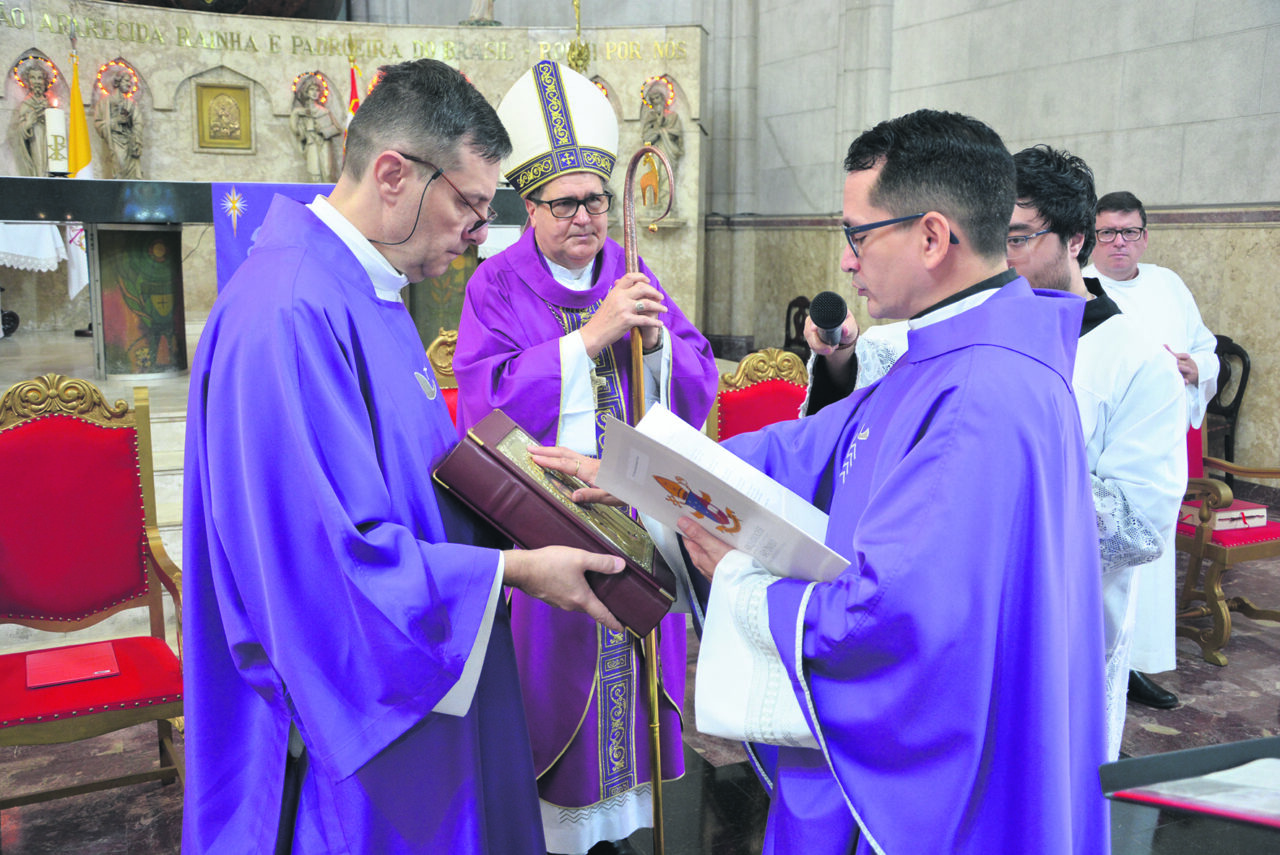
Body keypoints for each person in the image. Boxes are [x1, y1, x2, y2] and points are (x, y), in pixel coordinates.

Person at [183, 58, 629, 855]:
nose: (478, 233)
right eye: (470, 204)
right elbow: (323, 570)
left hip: (429, 668)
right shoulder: (290, 311)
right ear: (394, 173)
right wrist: (514, 573)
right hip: (361, 724)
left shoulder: (364, 288)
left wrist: (526, 494)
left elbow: (410, 477)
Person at [676, 110, 1109, 853]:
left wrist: (746, 587)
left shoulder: (981, 390)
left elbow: (892, 620)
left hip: (949, 793)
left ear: (933, 236)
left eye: (857, 234)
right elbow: (817, 445)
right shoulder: (948, 352)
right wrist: (647, 463)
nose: (846, 263)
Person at [453, 60, 718, 855]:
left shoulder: (632, 273)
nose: (586, 218)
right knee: (557, 688)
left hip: (638, 518)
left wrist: (662, 344)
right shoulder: (494, 288)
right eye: (566, 203)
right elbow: (483, 411)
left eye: (597, 200)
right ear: (529, 207)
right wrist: (586, 343)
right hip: (552, 529)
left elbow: (697, 371)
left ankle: (631, 820)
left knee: (639, 690)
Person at [1008, 144, 1187, 757]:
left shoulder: (1136, 360)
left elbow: (1139, 527)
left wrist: (1013, 466)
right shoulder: (982, 332)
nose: (998, 262)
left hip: (1064, 629)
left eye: (1017, 239)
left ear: (1074, 240)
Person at [1084, 190, 1218, 710]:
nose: (1120, 242)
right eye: (1108, 232)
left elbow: (1205, 350)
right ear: (1088, 237)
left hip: (1158, 447)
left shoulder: (1168, 285)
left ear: (1145, 235)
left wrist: (1196, 368)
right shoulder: (1082, 290)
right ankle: (1101, 671)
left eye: (1130, 231)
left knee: (1151, 565)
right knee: (1108, 570)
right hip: (1107, 448)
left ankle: (1137, 663)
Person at [289, 74, 341, 183]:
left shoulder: (324, 111)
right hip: (311, 143)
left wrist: (322, 131)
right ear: (306, 92)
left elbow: (337, 128)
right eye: (311, 90)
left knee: (327, 172)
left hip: (323, 143)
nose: (314, 93)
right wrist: (297, 113)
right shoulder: (302, 112)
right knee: (314, 173)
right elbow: (296, 129)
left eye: (317, 90)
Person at [95, 67, 143, 179]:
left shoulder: (131, 104)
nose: (129, 84)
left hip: (129, 141)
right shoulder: (105, 103)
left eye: (130, 82)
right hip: (115, 140)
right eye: (126, 81)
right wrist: (114, 122)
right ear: (118, 82)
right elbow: (98, 123)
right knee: (120, 166)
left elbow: (138, 122)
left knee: (132, 172)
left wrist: (137, 142)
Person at [13, 60, 51, 177]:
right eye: (33, 78)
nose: (37, 82)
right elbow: (19, 131)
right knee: (39, 165)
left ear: (45, 82)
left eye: (40, 78)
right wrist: (29, 123)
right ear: (28, 82)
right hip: (36, 138)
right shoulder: (26, 104)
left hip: (50, 141)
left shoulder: (49, 104)